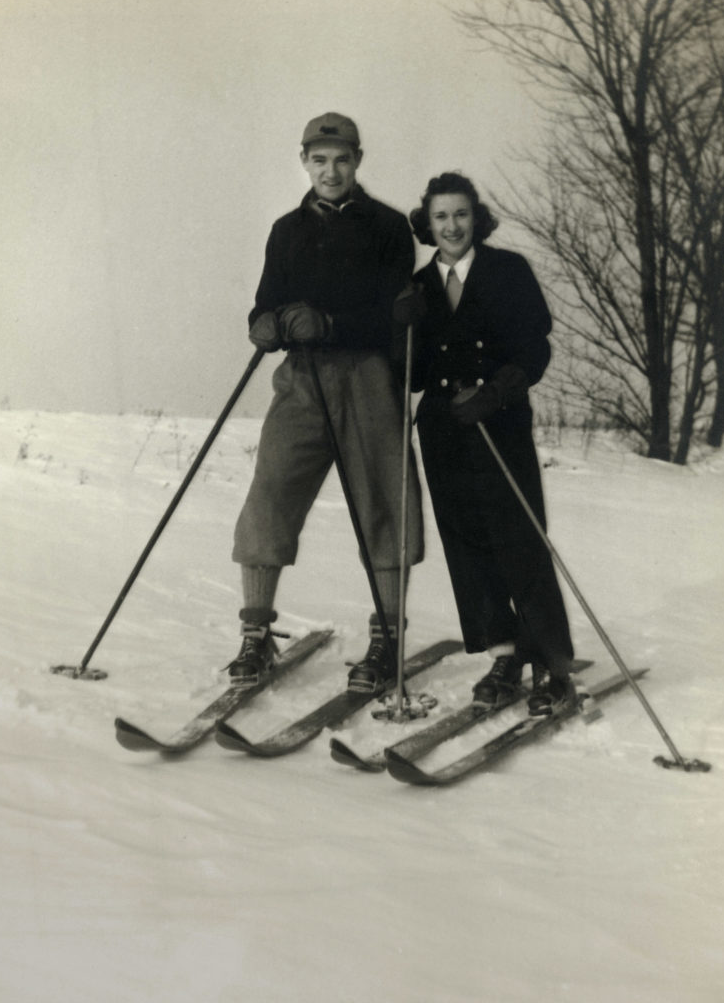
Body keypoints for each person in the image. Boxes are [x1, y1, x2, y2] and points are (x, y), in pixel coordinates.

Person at [229, 112, 424, 692]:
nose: (330, 170)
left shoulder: (387, 226)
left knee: (384, 504)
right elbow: (267, 302)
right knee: (270, 494)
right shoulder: (287, 230)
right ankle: (255, 635)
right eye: (319, 160)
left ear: (358, 160)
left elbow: (394, 312)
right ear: (305, 161)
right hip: (303, 380)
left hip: (367, 377)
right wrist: (265, 325)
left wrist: (329, 321)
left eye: (341, 159)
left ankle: (387, 637)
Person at [398, 172, 575, 716]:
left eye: (460, 214)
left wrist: (497, 390)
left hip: (497, 424)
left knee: (518, 534)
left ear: (476, 218)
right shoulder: (420, 286)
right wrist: (399, 332)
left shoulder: (508, 271)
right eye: (441, 217)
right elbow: (417, 374)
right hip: (444, 430)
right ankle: (503, 654)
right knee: (467, 540)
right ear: (427, 224)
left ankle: (551, 661)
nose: (451, 226)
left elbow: (534, 349)